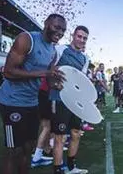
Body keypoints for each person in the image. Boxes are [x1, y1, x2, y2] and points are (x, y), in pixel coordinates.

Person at [0, 14, 66, 174]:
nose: (60, 32)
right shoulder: (26, 39)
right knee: (14, 151)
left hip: (32, 103)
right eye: (57, 27)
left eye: (63, 30)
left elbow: (48, 80)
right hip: (11, 102)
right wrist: (44, 73)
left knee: (28, 148)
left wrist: (56, 85)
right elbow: (8, 72)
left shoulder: (53, 52)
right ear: (46, 24)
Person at [50, 25, 90, 174]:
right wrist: (55, 83)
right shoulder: (60, 49)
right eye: (79, 36)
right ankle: (58, 169)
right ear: (73, 36)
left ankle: (71, 167)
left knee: (75, 133)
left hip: (75, 101)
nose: (81, 40)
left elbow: (82, 80)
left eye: (84, 38)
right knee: (60, 136)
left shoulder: (85, 58)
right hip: (59, 98)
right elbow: (49, 70)